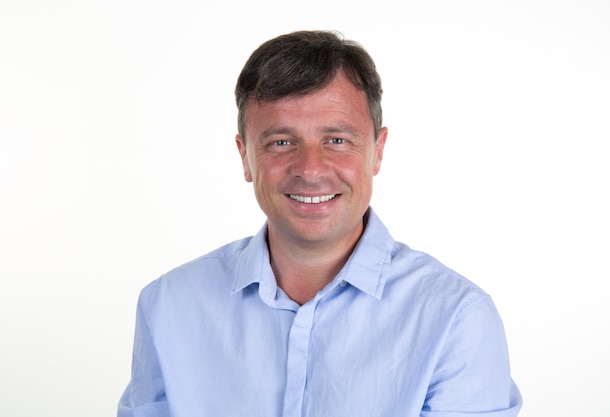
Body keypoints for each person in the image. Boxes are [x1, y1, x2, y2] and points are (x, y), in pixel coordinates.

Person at [118, 30, 522, 417]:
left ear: (378, 152)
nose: (311, 169)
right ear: (245, 157)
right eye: (281, 142)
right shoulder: (167, 307)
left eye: (337, 140)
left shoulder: (456, 318)